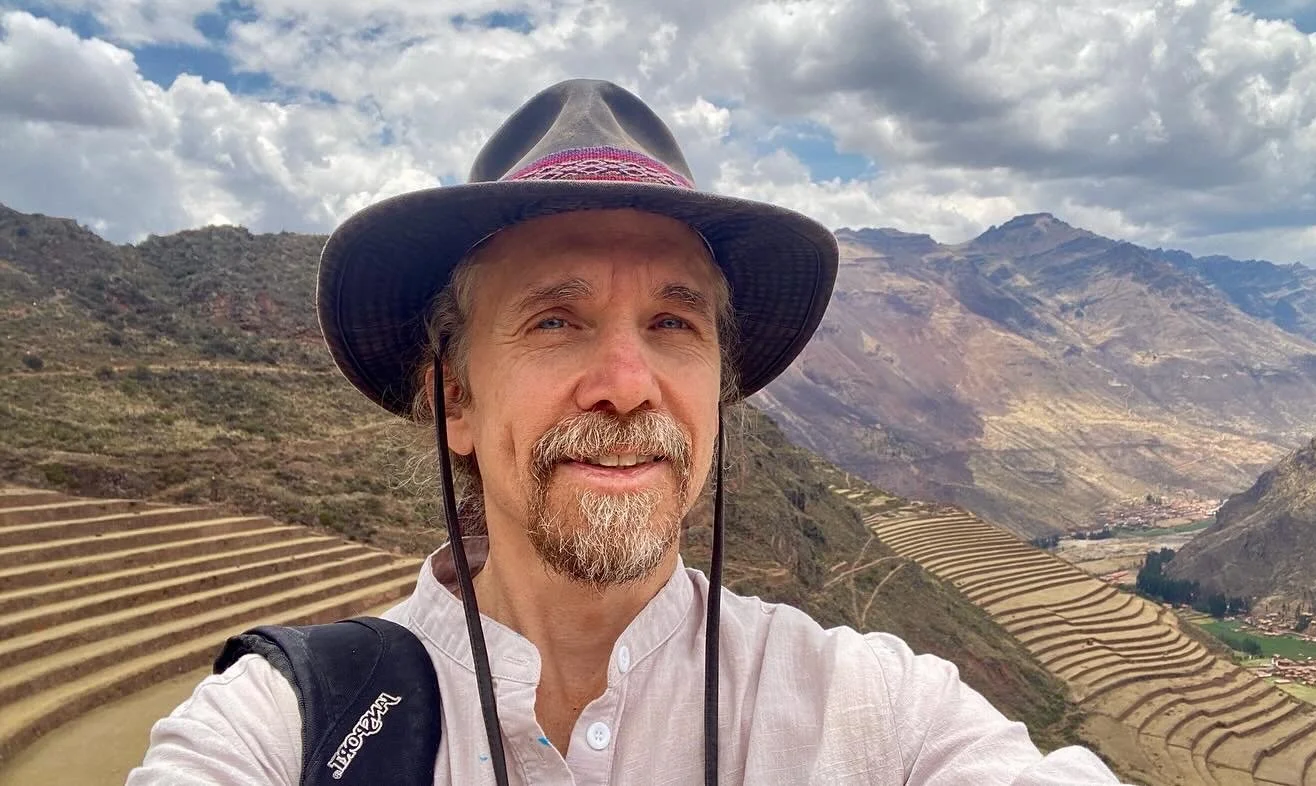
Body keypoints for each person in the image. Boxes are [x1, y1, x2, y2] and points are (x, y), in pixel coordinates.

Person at [129, 78, 1124, 785]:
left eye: (673, 324)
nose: (626, 384)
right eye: (555, 321)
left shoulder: (870, 714)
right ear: (455, 400)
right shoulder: (288, 729)